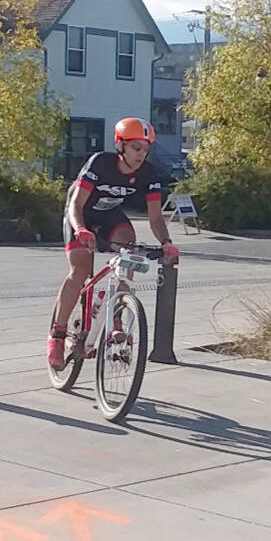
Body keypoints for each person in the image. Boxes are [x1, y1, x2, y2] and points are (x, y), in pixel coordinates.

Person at [48, 118, 180, 368]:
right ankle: (57, 334)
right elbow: (76, 204)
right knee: (79, 271)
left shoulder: (148, 173)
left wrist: (166, 242)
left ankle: (116, 317)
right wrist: (81, 229)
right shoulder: (101, 163)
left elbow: (155, 217)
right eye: (136, 148)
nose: (142, 154)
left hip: (109, 216)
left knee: (129, 247)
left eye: (146, 148)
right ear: (121, 145)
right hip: (80, 215)